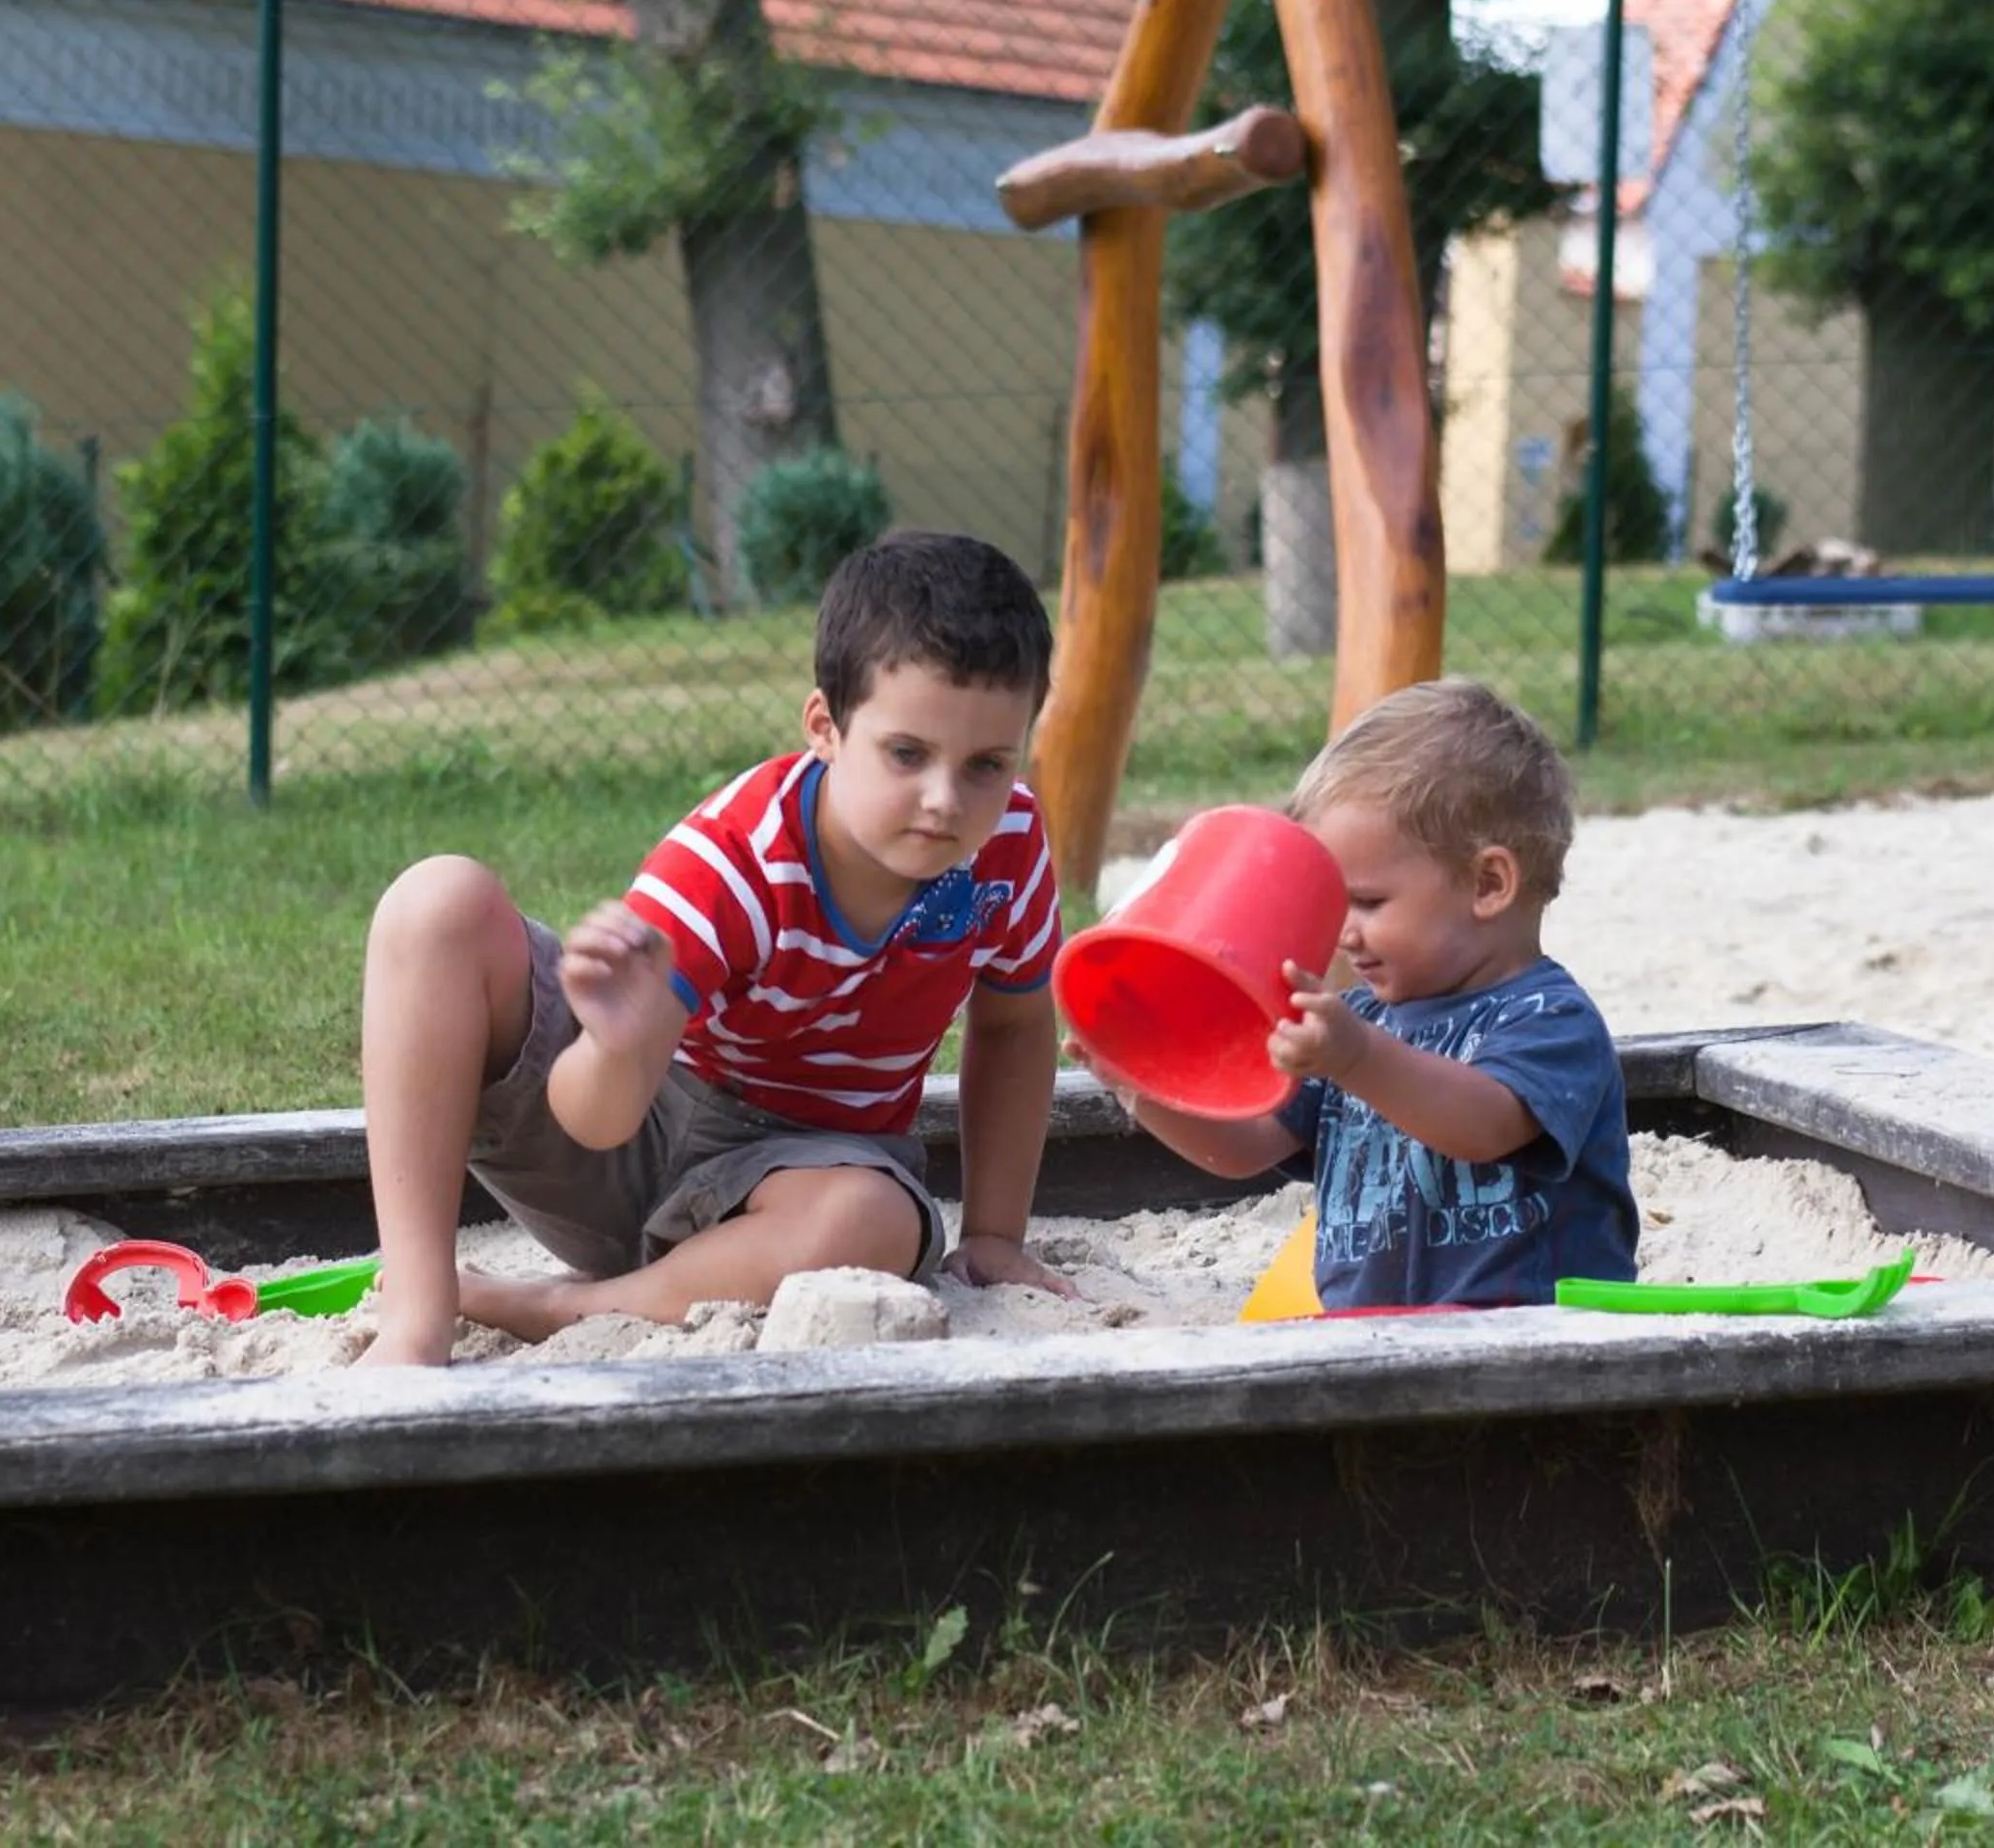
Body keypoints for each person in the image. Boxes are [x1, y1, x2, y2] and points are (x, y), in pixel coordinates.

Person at [355, 530, 1077, 1367]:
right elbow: (593, 1120)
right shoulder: (732, 862)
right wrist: (620, 1043)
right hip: (633, 1130)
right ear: (825, 727)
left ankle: (561, 1308)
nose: (945, 800)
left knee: (869, 1223)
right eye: (907, 754)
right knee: (434, 902)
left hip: (809, 1180)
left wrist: (993, 1233)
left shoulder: (1010, 846)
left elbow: (1018, 1026)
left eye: (987, 764)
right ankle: (418, 1308)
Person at [1084, 679, 1635, 1311]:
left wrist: (1357, 1060)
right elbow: (1243, 1147)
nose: (1343, 931)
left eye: (1368, 902)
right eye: (1332, 900)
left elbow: (1482, 1126)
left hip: (1524, 1348)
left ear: (1489, 883)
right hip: (1368, 1342)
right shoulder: (1359, 1023)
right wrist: (1139, 1080)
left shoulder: (1550, 1019)